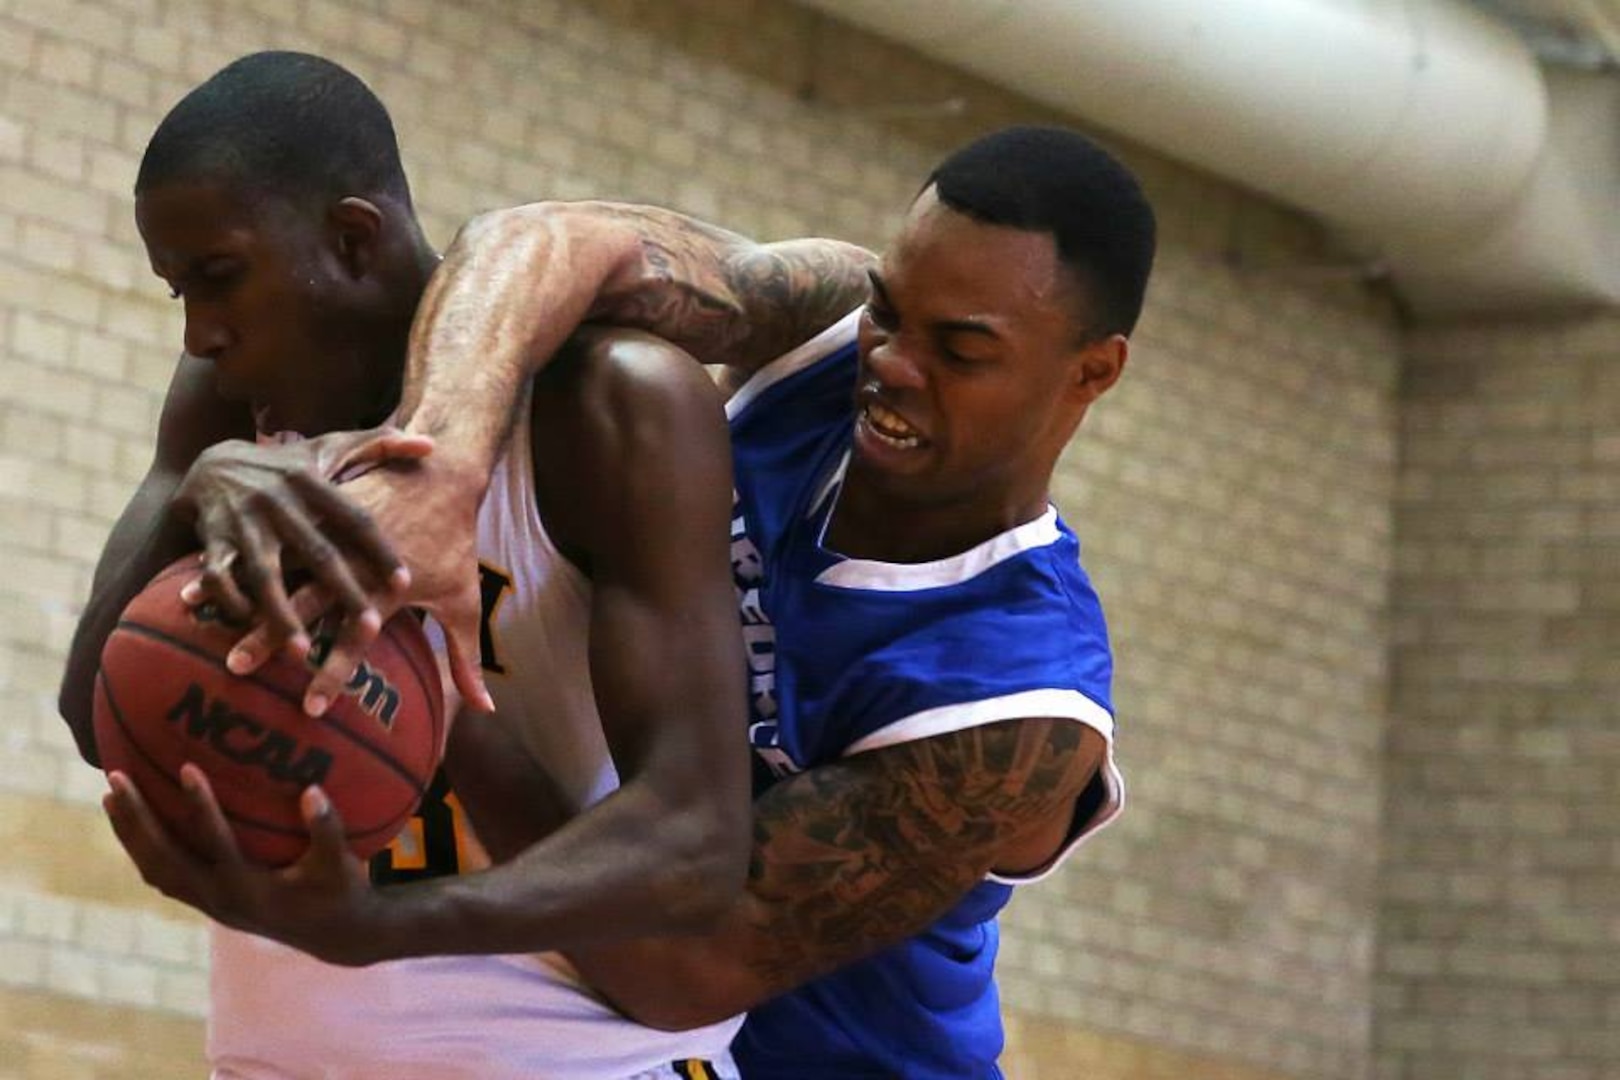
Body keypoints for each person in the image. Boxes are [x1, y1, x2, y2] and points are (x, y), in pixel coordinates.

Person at [106, 124, 1156, 1077]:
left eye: (961, 350)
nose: (891, 365)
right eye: (890, 309)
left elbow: (673, 964)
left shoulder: (1020, 709)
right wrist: (437, 472)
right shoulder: (827, 335)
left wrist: (424, 679)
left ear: (1091, 373)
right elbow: (538, 239)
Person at [60, 51, 758, 1079]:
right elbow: (95, 718)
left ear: (351, 239)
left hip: (575, 1065)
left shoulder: (611, 406)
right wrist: (196, 493)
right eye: (178, 293)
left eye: (218, 279)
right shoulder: (226, 408)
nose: (202, 332)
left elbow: (695, 842)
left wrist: (387, 915)